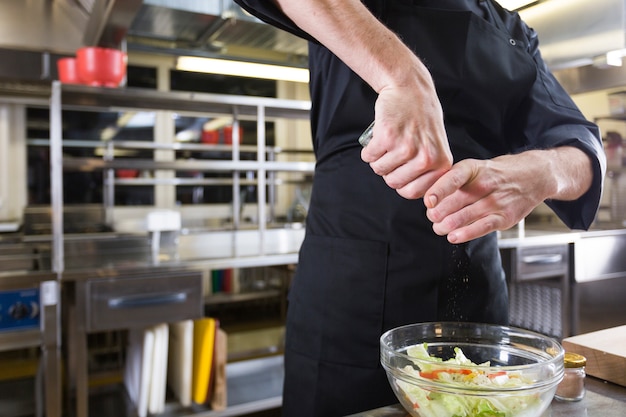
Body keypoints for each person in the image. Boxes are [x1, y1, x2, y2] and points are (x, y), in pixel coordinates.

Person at [233, 1, 606, 416]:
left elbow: (585, 152)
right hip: (348, 302)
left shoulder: (513, 29)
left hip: (475, 294)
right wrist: (404, 78)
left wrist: (544, 171)